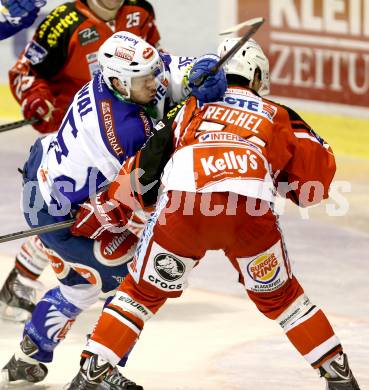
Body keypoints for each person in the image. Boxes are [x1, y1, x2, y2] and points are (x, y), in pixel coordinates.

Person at [66, 38, 360, 390]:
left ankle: (94, 368)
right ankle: (337, 373)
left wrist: (109, 207)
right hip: (249, 211)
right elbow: (312, 182)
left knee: (140, 294)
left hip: (183, 207)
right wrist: (280, 179)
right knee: (283, 299)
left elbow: (148, 163)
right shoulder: (277, 113)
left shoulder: (190, 107)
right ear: (255, 76)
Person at [1, 31, 227, 389]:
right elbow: (150, 183)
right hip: (61, 216)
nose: (155, 82)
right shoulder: (125, 130)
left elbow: (171, 71)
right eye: (145, 79)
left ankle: (28, 358)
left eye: (152, 74)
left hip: (44, 180)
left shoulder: (117, 80)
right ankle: (100, 369)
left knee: (80, 287)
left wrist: (200, 69)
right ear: (120, 82)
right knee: (138, 282)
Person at [0, 0, 161, 323]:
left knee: (93, 210)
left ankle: (26, 279)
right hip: (78, 133)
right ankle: (25, 279)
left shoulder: (140, 11)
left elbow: (158, 62)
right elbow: (25, 72)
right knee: (68, 209)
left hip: (128, 126)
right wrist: (35, 97)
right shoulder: (63, 22)